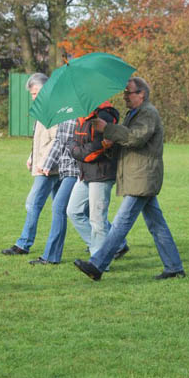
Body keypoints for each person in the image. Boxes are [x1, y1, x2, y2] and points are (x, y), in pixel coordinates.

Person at [73, 77, 184, 281]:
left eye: (128, 93)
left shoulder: (148, 113)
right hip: (138, 176)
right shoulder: (134, 113)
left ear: (141, 94)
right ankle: (174, 267)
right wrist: (109, 143)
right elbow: (126, 140)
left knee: (121, 223)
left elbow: (135, 138)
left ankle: (97, 265)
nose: (124, 96)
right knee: (156, 225)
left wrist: (107, 128)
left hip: (142, 177)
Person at [1, 73, 59, 256]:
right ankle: (114, 243)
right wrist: (31, 156)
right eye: (32, 94)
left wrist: (45, 162)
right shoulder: (45, 109)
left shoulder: (52, 110)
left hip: (48, 168)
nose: (33, 97)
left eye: (35, 93)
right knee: (69, 209)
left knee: (33, 203)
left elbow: (57, 140)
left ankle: (23, 244)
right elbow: (41, 139)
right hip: (48, 165)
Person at [66, 101, 130, 264]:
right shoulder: (82, 116)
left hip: (101, 173)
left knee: (97, 220)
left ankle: (99, 262)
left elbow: (94, 149)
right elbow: (72, 143)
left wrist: (77, 150)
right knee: (73, 211)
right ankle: (109, 248)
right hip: (85, 173)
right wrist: (77, 150)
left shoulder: (104, 116)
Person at [27, 115, 80, 265]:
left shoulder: (71, 116)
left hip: (73, 170)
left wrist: (47, 164)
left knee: (59, 208)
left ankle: (51, 256)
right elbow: (58, 141)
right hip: (67, 170)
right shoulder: (66, 115)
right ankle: (116, 245)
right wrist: (46, 164)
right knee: (83, 212)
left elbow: (63, 143)